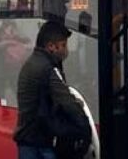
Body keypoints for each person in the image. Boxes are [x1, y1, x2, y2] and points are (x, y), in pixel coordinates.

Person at [14, 21, 89, 159]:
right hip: (41, 143)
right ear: (51, 47)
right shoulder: (48, 69)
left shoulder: (30, 63)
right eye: (63, 45)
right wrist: (85, 127)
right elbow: (66, 101)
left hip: (26, 139)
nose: (66, 50)